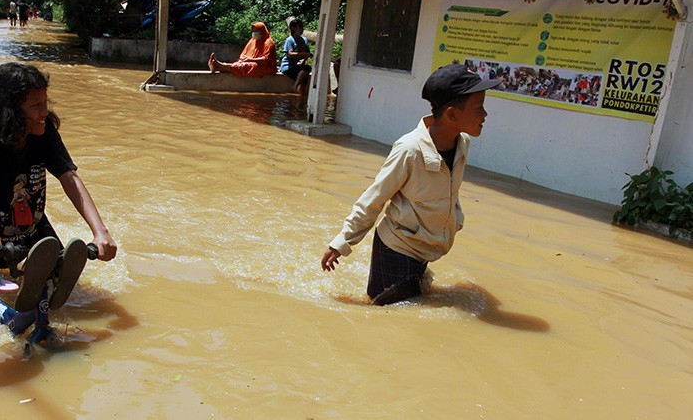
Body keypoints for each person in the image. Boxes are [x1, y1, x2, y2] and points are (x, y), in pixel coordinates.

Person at [320, 64, 501, 305]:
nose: (485, 115)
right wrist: (341, 243)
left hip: (426, 245)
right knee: (384, 315)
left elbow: (449, 189)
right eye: (479, 108)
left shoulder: (462, 143)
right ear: (452, 114)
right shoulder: (409, 150)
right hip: (397, 248)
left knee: (413, 305)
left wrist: (454, 219)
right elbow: (374, 198)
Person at [0, 62, 117, 342]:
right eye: (36, 106)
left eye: (45, 102)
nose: (44, 112)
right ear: (10, 111)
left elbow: (69, 178)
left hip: (32, 228)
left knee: (58, 268)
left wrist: (100, 231)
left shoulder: (43, 132)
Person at [208, 22, 277, 77]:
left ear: (262, 32)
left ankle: (219, 65)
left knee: (247, 66)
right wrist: (243, 59)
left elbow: (266, 60)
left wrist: (250, 59)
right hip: (252, 62)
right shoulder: (253, 40)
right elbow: (244, 54)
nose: (254, 34)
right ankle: (218, 66)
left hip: (266, 68)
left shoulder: (268, 43)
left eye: (256, 32)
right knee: (239, 64)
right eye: (253, 32)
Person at [279, 19, 312, 95]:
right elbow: (290, 54)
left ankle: (300, 99)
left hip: (299, 67)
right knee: (306, 69)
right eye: (300, 26)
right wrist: (304, 54)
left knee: (304, 75)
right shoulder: (289, 40)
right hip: (288, 67)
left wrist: (303, 60)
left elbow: (307, 53)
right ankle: (295, 87)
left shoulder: (304, 40)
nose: (302, 28)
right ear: (293, 28)